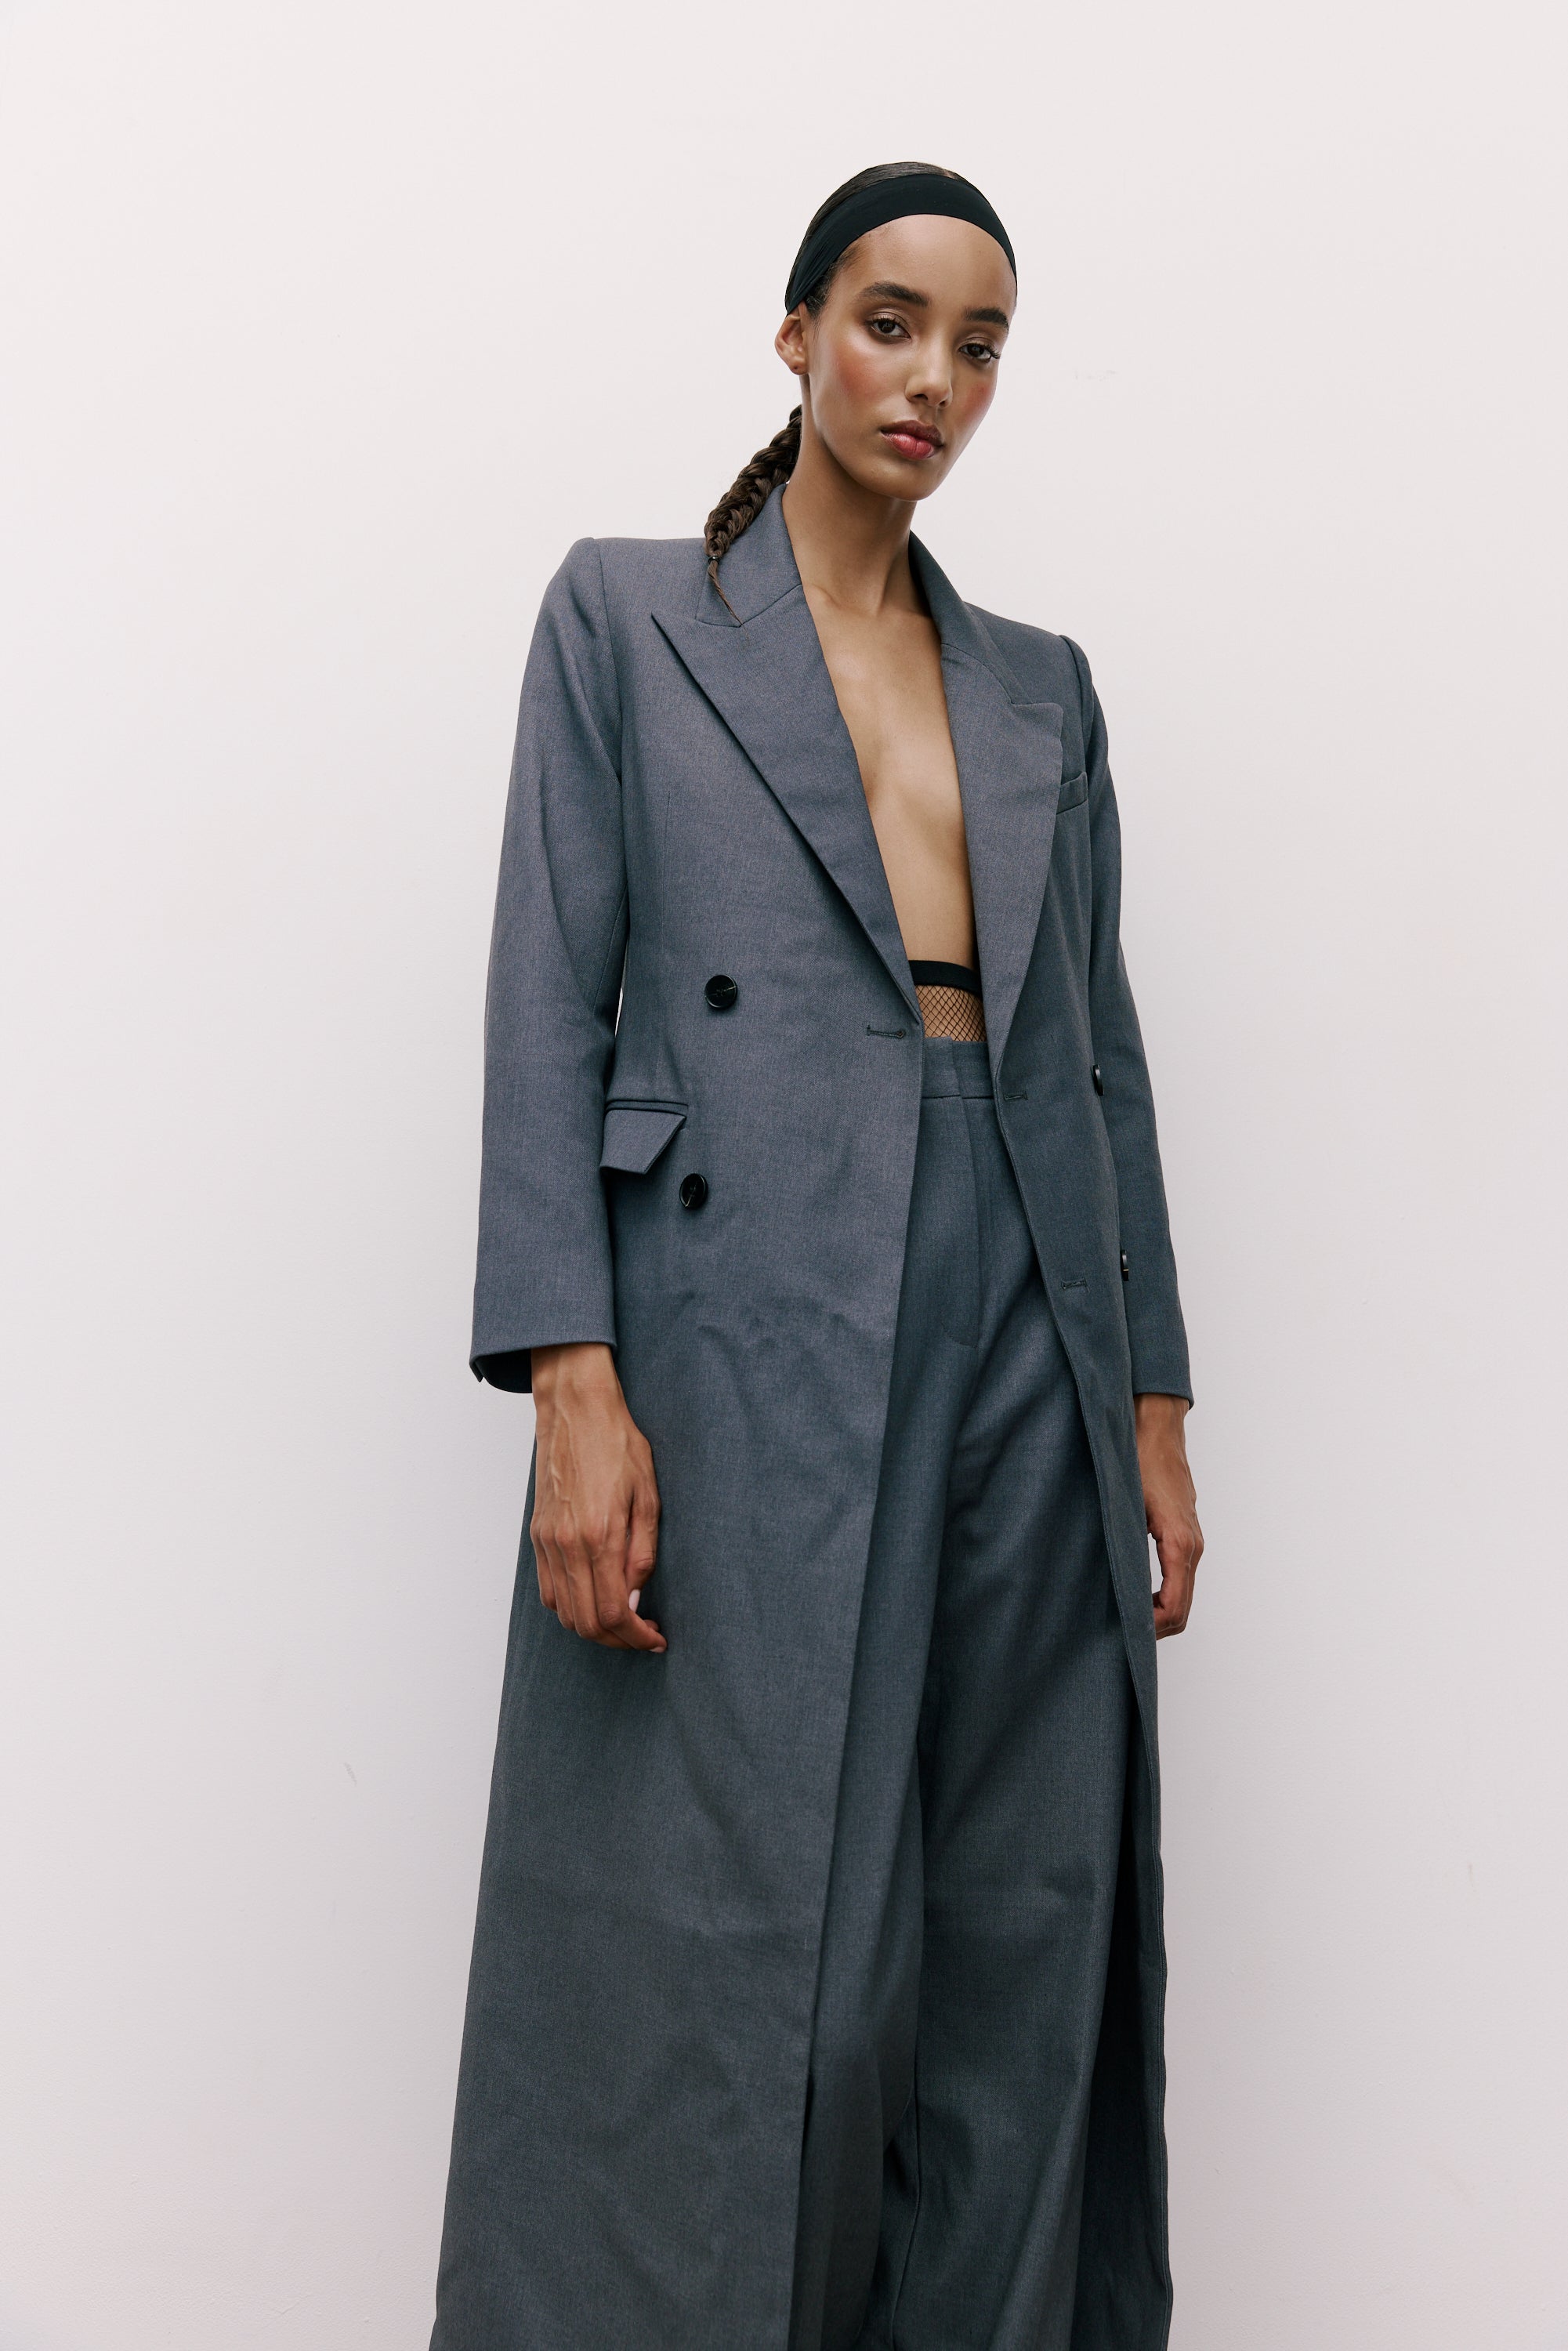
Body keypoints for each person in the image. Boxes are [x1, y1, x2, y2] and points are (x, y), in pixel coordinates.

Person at [429, 161, 1203, 2351]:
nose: (930, 378)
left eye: (978, 345)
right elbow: (545, 999)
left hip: (1028, 1299)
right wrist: (570, 1381)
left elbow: (1099, 1060)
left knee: (1021, 1909)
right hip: (744, 1302)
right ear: (794, 339)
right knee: (762, 1936)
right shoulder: (627, 620)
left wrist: (1153, 1399)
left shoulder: (1041, 691)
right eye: (889, 322)